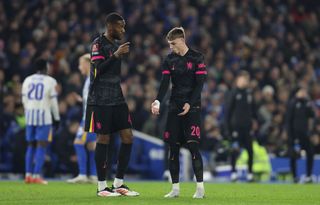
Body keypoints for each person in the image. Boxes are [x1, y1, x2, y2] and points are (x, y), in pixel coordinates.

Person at [84, 12, 139, 197]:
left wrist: (117, 53)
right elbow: (97, 71)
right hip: (100, 98)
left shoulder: (116, 45)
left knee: (128, 137)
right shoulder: (98, 44)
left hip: (117, 97)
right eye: (121, 26)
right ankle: (101, 187)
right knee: (103, 139)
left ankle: (118, 183)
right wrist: (115, 55)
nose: (123, 30)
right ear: (111, 26)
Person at [151, 27, 207, 199]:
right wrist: (158, 100)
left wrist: (190, 103)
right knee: (172, 148)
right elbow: (164, 82)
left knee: (193, 146)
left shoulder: (198, 58)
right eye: (169, 44)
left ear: (182, 41)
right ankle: (175, 188)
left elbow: (200, 85)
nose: (171, 47)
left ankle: (200, 188)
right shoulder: (169, 60)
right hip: (174, 107)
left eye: (173, 43)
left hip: (193, 108)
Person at [22, 58, 60, 184]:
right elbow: (53, 102)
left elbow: (24, 99)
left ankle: (28, 175)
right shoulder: (50, 81)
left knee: (31, 145)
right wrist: (57, 118)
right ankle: (36, 175)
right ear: (45, 67)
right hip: (44, 117)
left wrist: (28, 111)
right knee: (42, 145)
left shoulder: (27, 80)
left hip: (30, 116)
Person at [67, 54, 97, 183]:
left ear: (87, 63)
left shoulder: (92, 78)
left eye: (81, 64)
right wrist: (82, 100)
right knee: (91, 145)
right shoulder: (89, 79)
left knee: (78, 143)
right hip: (92, 116)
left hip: (90, 117)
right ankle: (94, 176)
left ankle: (83, 174)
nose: (79, 67)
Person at [225, 71, 256, 182]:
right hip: (236, 128)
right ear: (238, 80)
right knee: (234, 150)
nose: (245, 82)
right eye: (243, 79)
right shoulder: (233, 93)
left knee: (250, 151)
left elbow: (253, 110)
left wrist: (254, 121)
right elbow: (228, 112)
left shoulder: (249, 93)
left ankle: (250, 173)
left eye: (247, 80)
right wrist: (228, 129)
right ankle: (233, 172)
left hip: (247, 127)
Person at [286, 87, 315, 183]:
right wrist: (290, 135)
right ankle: (294, 176)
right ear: (296, 93)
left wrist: (310, 105)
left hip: (305, 134)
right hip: (294, 135)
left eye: (304, 91)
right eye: (301, 91)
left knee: (310, 153)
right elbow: (288, 120)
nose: (303, 93)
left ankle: (308, 176)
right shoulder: (292, 103)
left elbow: (312, 115)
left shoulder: (307, 103)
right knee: (293, 155)